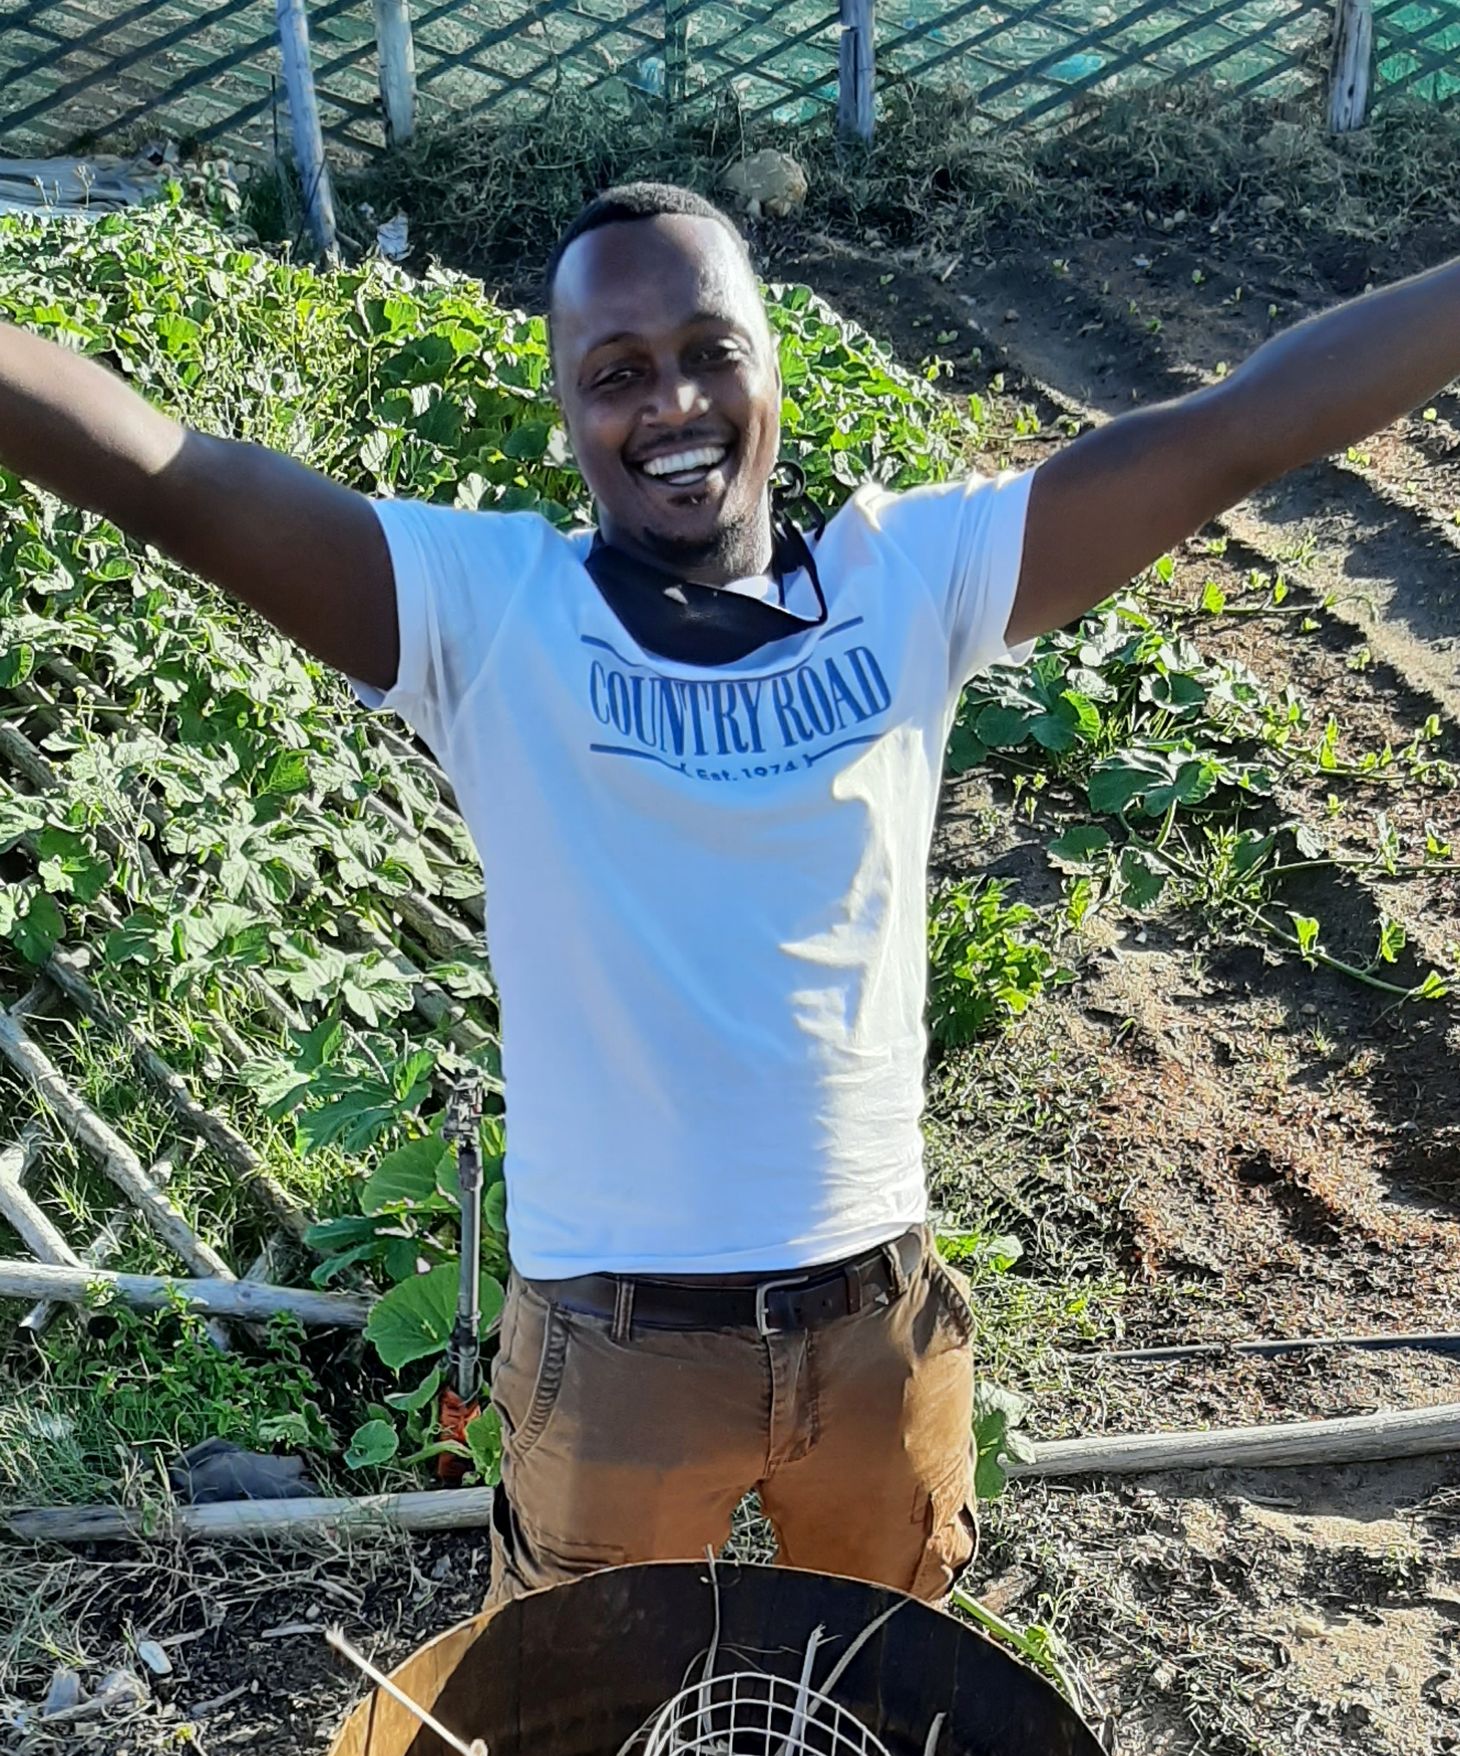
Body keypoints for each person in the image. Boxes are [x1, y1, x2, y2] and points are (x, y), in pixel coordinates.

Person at [1, 181, 1456, 1602]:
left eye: (710, 351)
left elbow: (1231, 433)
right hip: (616, 1354)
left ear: (771, 366)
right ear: (567, 406)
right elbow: (168, 475)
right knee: (585, 1730)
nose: (673, 403)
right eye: (617, 373)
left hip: (877, 1327)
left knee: (876, 1705)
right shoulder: (484, 613)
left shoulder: (910, 581)